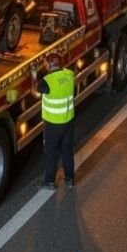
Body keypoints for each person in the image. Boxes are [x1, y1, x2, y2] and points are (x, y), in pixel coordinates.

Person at [31, 50, 76, 189]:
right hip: (68, 120)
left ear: (49, 65)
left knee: (51, 152)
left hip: (53, 124)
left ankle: (50, 181)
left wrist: (33, 75)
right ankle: (69, 179)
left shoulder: (47, 82)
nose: (44, 65)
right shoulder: (69, 74)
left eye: (45, 63)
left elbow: (35, 92)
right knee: (67, 150)